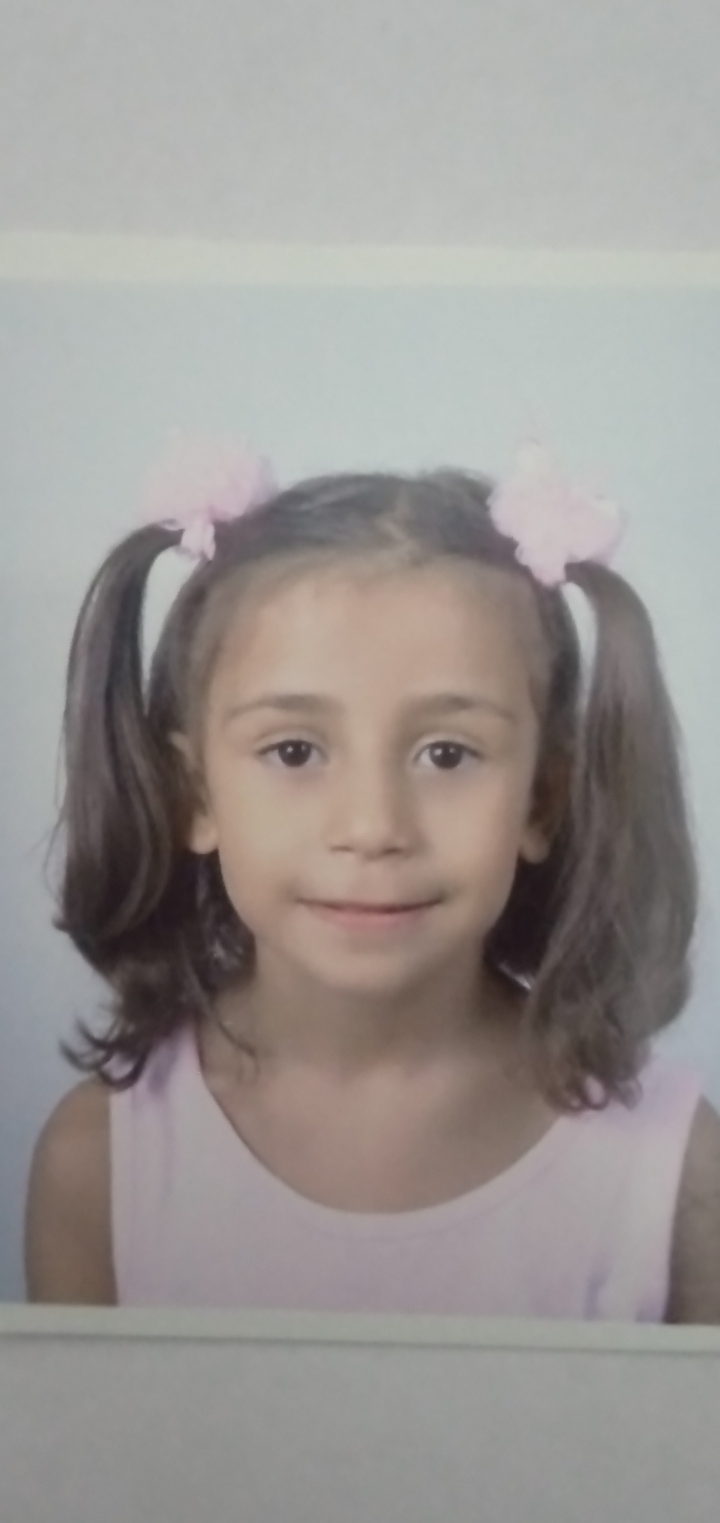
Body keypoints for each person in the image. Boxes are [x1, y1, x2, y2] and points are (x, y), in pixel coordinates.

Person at [24, 437, 720, 1318]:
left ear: (542, 802)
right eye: (294, 751)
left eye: (447, 753)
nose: (373, 827)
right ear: (194, 794)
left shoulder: (676, 1175)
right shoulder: (100, 1164)